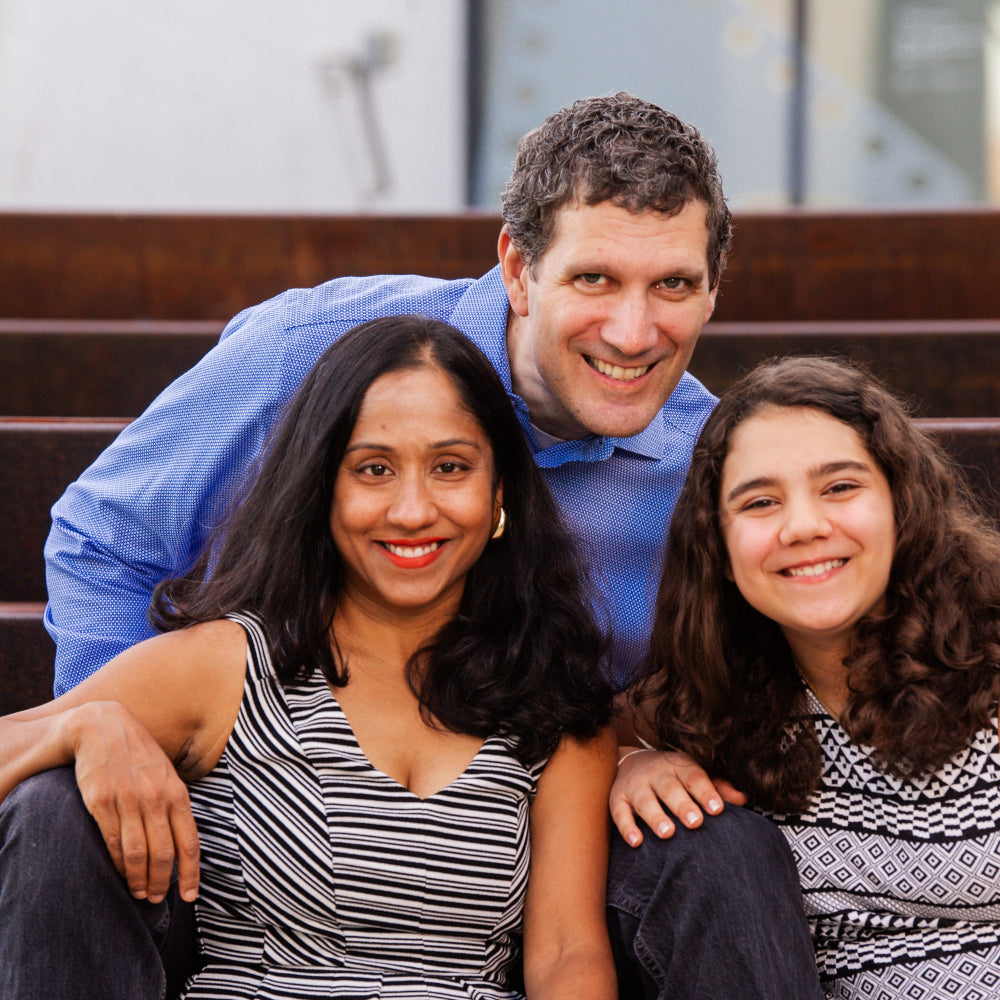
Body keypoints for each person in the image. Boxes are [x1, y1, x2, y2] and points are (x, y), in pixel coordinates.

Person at [2, 93, 824, 998]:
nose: (633, 334)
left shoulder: (713, 464)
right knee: (59, 801)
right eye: (594, 280)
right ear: (518, 269)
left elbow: (742, 666)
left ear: (712, 289)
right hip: (228, 833)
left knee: (716, 841)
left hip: (517, 844)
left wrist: (639, 750)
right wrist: (117, 733)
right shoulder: (313, 354)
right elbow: (106, 539)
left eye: (671, 285)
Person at [1, 316, 618, 999]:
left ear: (500, 491)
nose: (413, 510)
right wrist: (77, 725)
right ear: (322, 488)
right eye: (373, 469)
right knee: (47, 803)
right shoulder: (230, 667)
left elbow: (568, 953)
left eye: (450, 467)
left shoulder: (554, 705)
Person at [626, 355, 1000, 999]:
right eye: (761, 502)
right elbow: (587, 733)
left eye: (840, 488)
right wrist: (632, 760)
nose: (803, 526)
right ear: (718, 546)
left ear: (902, 503)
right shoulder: (710, 697)